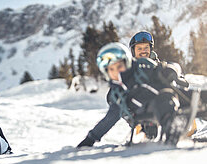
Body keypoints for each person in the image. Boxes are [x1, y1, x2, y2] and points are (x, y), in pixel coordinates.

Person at [77, 42, 207, 147]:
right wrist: (90, 139)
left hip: (175, 95)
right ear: (106, 72)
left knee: (201, 97)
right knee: (162, 100)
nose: (116, 72)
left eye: (119, 66)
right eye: (111, 69)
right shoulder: (117, 94)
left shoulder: (142, 67)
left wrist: (170, 71)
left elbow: (167, 67)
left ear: (127, 62)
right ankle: (173, 127)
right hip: (150, 112)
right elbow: (109, 119)